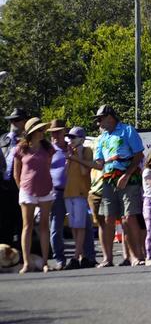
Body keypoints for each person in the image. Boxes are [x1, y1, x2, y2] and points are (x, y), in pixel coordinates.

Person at [84, 105, 146, 266]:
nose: (98, 123)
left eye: (100, 119)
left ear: (110, 117)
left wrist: (126, 175)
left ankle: (136, 257)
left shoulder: (127, 130)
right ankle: (107, 259)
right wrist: (75, 158)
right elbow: (99, 164)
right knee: (107, 219)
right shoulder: (102, 138)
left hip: (128, 178)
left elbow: (139, 154)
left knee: (129, 217)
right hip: (108, 180)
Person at [13, 117, 55, 273]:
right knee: (27, 226)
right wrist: (22, 188)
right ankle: (26, 263)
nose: (42, 132)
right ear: (32, 133)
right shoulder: (20, 149)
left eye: (42, 129)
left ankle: (45, 262)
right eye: (39, 130)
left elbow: (47, 167)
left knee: (44, 226)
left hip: (45, 189)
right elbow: (16, 173)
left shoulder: (48, 148)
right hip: (26, 190)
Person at [63, 126, 94, 269]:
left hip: (80, 193)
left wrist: (79, 155)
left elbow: (84, 172)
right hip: (68, 193)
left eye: (73, 137)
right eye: (70, 137)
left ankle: (76, 257)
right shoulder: (69, 152)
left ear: (81, 139)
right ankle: (81, 255)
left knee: (80, 226)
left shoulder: (86, 151)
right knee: (74, 226)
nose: (71, 140)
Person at [2, 108, 31, 258]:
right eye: (12, 120)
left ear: (25, 122)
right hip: (4, 186)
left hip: (22, 185)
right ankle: (4, 256)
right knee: (5, 223)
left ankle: (21, 256)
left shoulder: (30, 140)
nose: (14, 123)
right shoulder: (3, 139)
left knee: (22, 222)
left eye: (17, 120)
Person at [43, 119, 69, 268]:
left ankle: (85, 256)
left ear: (64, 132)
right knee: (55, 227)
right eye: (52, 133)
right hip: (56, 192)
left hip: (74, 191)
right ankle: (60, 258)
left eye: (58, 132)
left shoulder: (72, 147)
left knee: (82, 224)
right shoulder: (48, 150)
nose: (55, 135)